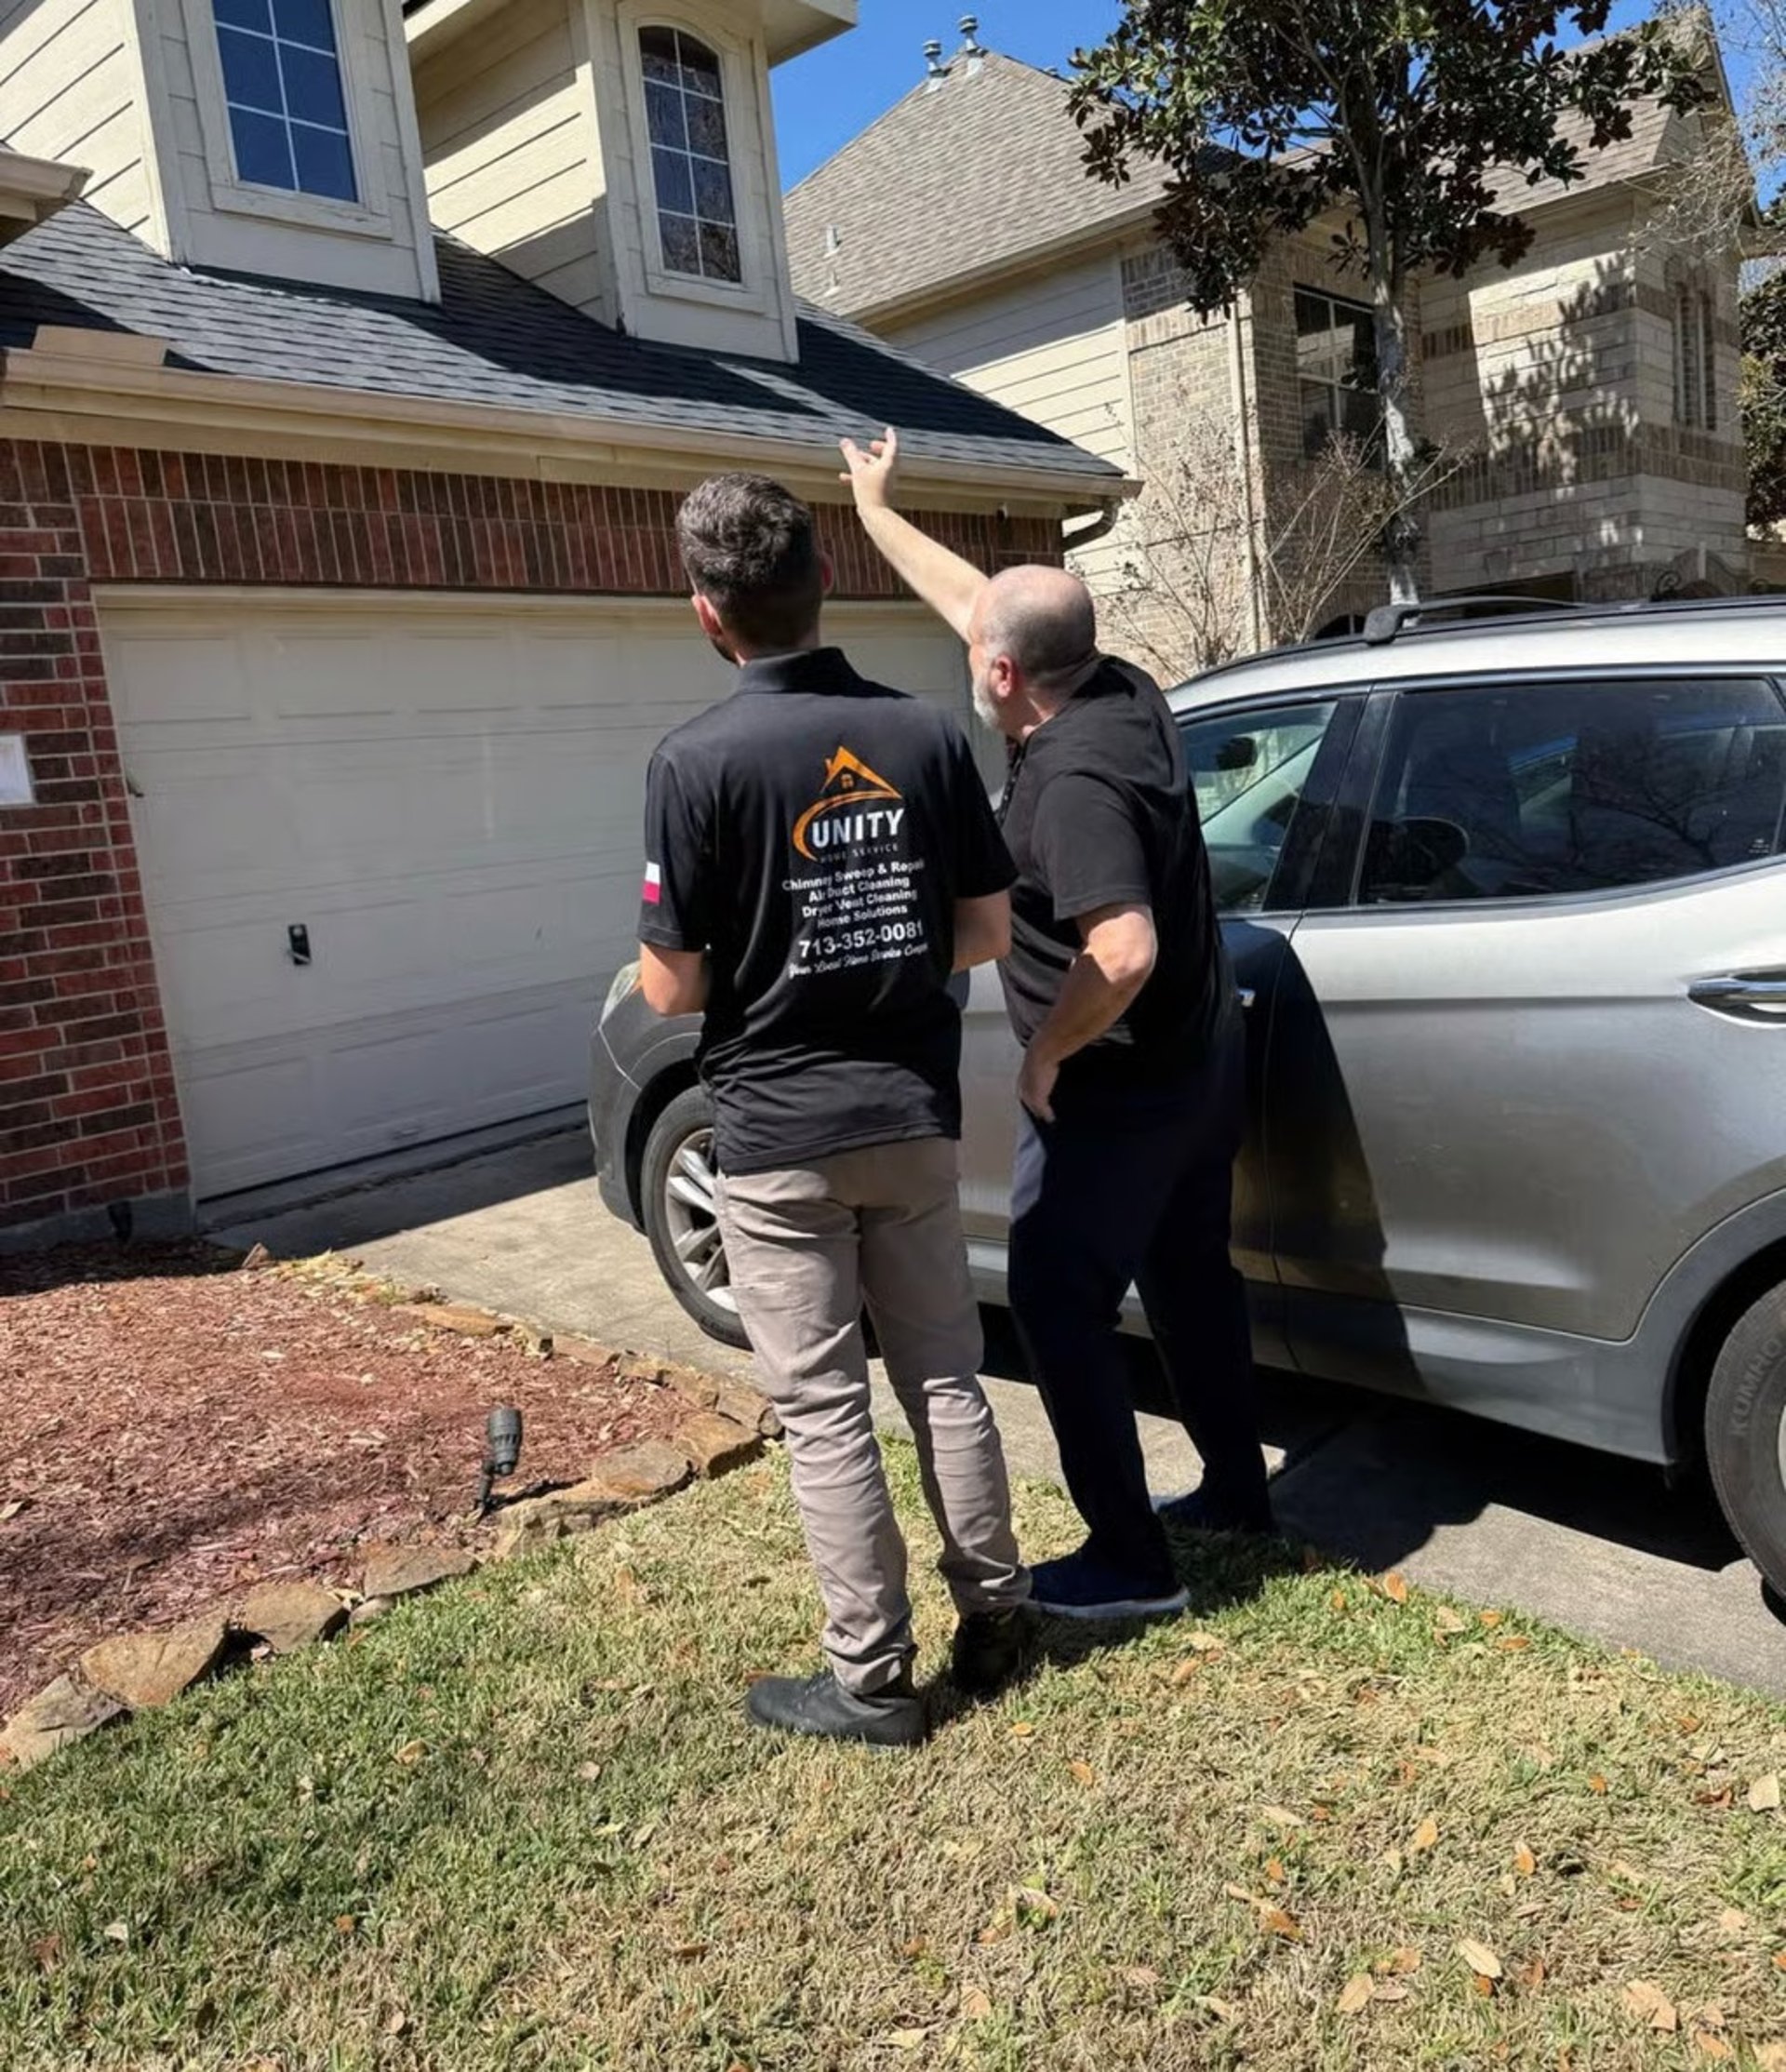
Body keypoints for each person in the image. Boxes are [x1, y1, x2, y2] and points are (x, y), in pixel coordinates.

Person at [840, 427, 1273, 1622]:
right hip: (1200, 1071)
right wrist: (879, 513)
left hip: (1117, 1091)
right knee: (1190, 1280)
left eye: (981, 652)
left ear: (998, 679)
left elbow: (1120, 948)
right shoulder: (1116, 683)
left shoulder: (1072, 780)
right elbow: (988, 607)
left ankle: (1131, 1563)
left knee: (1053, 1303)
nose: (974, 643)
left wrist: (1045, 1048)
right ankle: (1238, 1491)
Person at [637, 471, 1031, 1746]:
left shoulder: (693, 761)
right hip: (911, 1119)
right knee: (948, 1378)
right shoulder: (925, 734)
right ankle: (1001, 1619)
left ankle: (872, 1679)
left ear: (707, 612)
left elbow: (673, 981)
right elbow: (983, 930)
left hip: (773, 1139)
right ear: (824, 583)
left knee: (822, 1408)